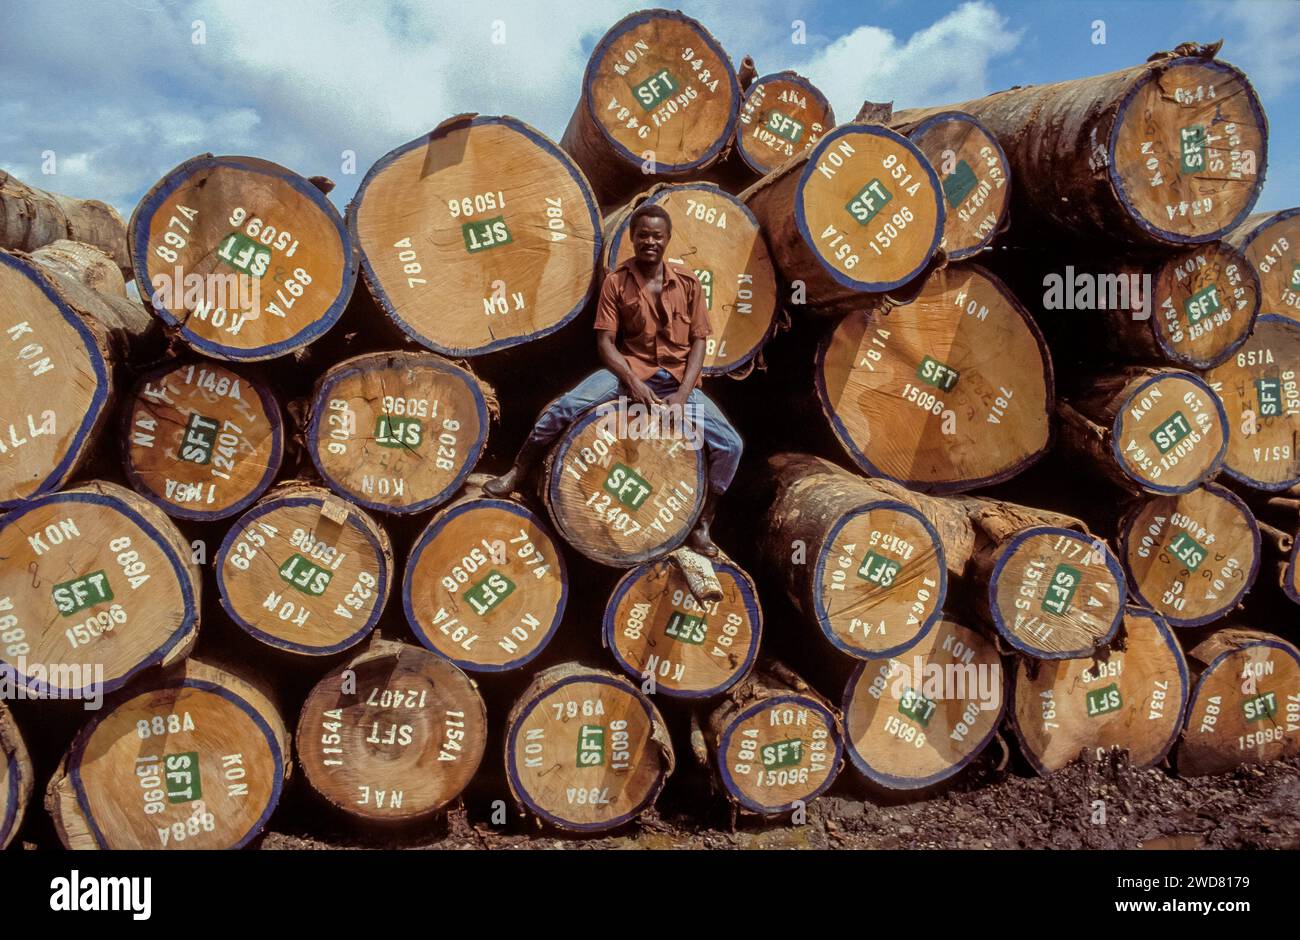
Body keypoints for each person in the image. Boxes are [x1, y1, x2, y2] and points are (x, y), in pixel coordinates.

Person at [483, 203, 743, 557]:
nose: (650, 241)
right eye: (643, 235)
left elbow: (699, 341)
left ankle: (701, 525)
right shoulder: (617, 282)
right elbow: (605, 344)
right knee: (567, 406)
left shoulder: (687, 282)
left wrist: (682, 396)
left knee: (731, 445)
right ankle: (517, 470)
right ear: (633, 238)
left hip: (677, 382)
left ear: (667, 239)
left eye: (657, 236)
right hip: (629, 372)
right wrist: (632, 382)